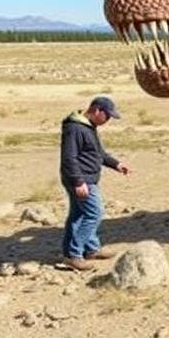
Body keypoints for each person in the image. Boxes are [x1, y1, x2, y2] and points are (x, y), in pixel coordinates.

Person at [59, 96, 131, 271]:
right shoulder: (75, 128)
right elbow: (69, 158)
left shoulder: (88, 127)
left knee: (78, 215)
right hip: (81, 180)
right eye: (107, 116)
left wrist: (116, 164)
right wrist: (78, 181)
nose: (108, 121)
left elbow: (98, 153)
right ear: (96, 110)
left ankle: (91, 249)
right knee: (94, 214)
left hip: (85, 178)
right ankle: (73, 255)